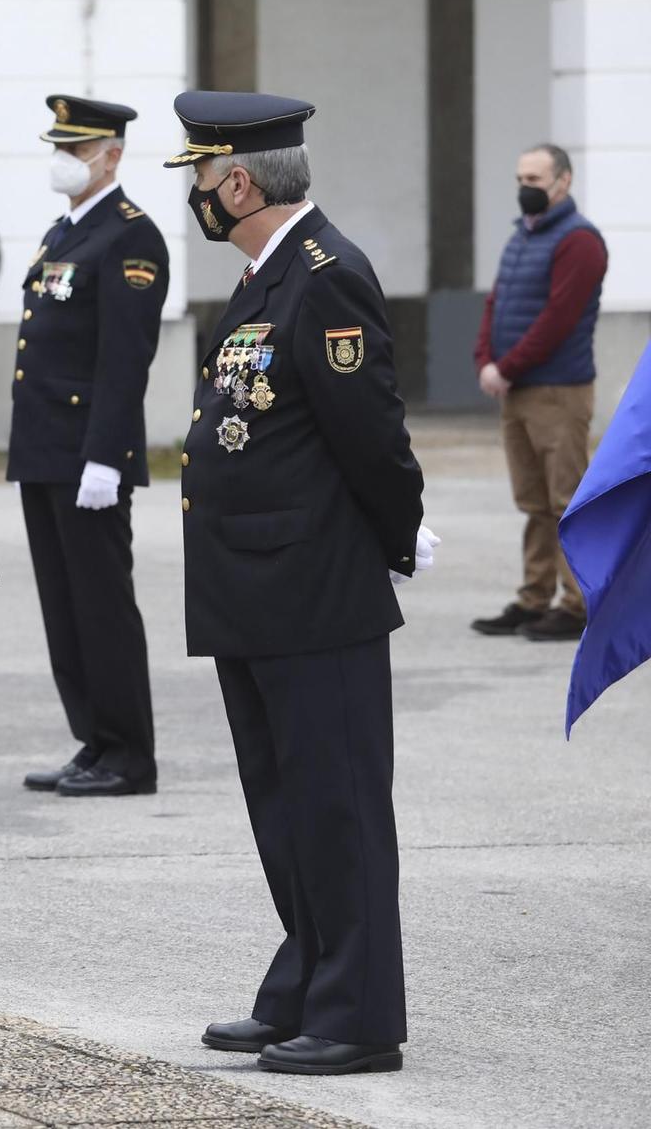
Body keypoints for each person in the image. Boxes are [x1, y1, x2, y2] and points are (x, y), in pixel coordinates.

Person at [168, 91, 436, 1075]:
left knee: (333, 806)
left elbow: (370, 432)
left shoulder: (323, 276)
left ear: (236, 179)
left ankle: (358, 1013)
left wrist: (398, 533)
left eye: (199, 175)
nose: (195, 192)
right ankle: (305, 980)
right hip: (254, 585)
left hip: (312, 587)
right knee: (282, 806)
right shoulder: (262, 278)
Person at [10, 95, 169, 799]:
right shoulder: (61, 233)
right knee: (63, 606)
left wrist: (107, 455)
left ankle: (130, 753)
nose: (63, 160)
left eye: (76, 150)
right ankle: (93, 739)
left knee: (102, 605)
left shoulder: (130, 237)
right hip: (45, 447)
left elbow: (124, 358)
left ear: (112, 154)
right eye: (60, 148)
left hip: (87, 456)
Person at [470, 143, 607, 643]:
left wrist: (506, 367)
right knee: (533, 502)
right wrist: (485, 360)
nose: (525, 188)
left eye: (534, 179)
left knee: (566, 501)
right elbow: (497, 302)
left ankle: (576, 604)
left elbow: (559, 319)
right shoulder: (522, 237)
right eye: (520, 178)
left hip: (558, 391)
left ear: (563, 182)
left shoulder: (580, 242)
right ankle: (534, 597)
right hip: (517, 389)